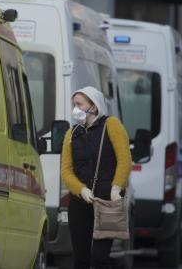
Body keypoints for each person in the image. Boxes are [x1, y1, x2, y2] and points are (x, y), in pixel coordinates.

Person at [61, 86, 132, 269]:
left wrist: (116, 187)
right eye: (74, 104)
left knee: (99, 259)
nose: (74, 108)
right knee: (81, 260)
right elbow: (66, 171)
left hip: (107, 201)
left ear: (93, 107)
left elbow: (125, 159)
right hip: (80, 203)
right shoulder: (71, 134)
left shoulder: (112, 125)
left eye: (79, 104)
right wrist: (81, 190)